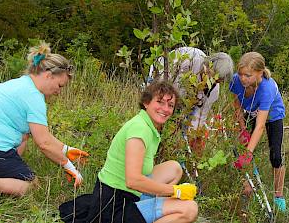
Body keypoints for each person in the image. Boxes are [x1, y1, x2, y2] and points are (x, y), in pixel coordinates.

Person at [0, 42, 87, 201]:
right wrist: (69, 167)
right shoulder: (33, 97)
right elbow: (43, 143)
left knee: (24, 137)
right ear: (48, 75)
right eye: (59, 85)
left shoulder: (19, 84)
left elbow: (42, 136)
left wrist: (65, 149)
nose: (58, 92)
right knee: (33, 185)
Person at [58, 80, 198, 223]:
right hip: (113, 206)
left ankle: (156, 211)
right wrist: (176, 191)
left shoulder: (148, 126)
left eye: (170, 105)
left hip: (128, 194)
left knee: (174, 168)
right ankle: (158, 211)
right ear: (146, 102)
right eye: (160, 102)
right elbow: (133, 181)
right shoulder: (140, 129)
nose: (165, 109)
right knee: (189, 209)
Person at [230, 52, 287, 212]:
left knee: (275, 156)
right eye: (241, 74)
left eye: (247, 75)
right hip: (250, 112)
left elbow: (260, 126)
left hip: (272, 116)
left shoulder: (267, 89)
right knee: (243, 147)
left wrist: (248, 153)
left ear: (259, 73)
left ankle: (279, 196)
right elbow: (236, 104)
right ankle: (247, 189)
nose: (243, 78)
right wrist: (242, 128)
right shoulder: (236, 80)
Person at [154, 47, 233, 153]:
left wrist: (191, 136)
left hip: (184, 101)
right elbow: (166, 85)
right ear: (208, 65)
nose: (213, 80)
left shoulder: (214, 92)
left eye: (219, 80)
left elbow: (199, 117)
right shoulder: (190, 60)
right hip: (162, 80)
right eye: (213, 75)